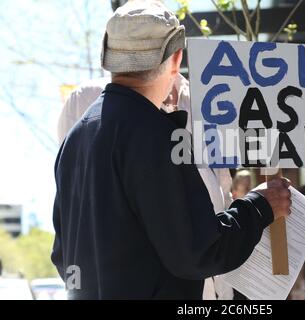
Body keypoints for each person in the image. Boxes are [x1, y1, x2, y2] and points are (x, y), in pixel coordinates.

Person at [51, 0, 291, 299]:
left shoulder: (77, 136)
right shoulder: (157, 134)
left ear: (108, 57)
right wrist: (259, 206)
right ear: (176, 59)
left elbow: (63, 257)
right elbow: (198, 251)